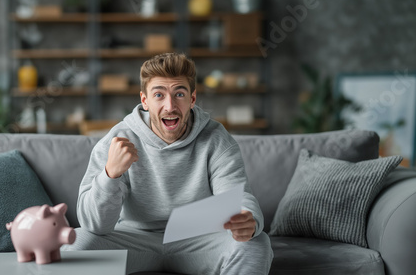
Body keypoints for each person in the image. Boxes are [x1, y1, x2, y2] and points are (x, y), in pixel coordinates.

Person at [63, 53, 273, 274]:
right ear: (145, 100)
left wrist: (247, 221)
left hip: (199, 240)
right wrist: (110, 175)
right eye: (159, 95)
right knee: (77, 245)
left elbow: (238, 198)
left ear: (192, 99)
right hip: (134, 240)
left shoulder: (217, 139)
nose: (170, 106)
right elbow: (95, 226)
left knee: (256, 245)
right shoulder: (117, 140)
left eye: (179, 94)